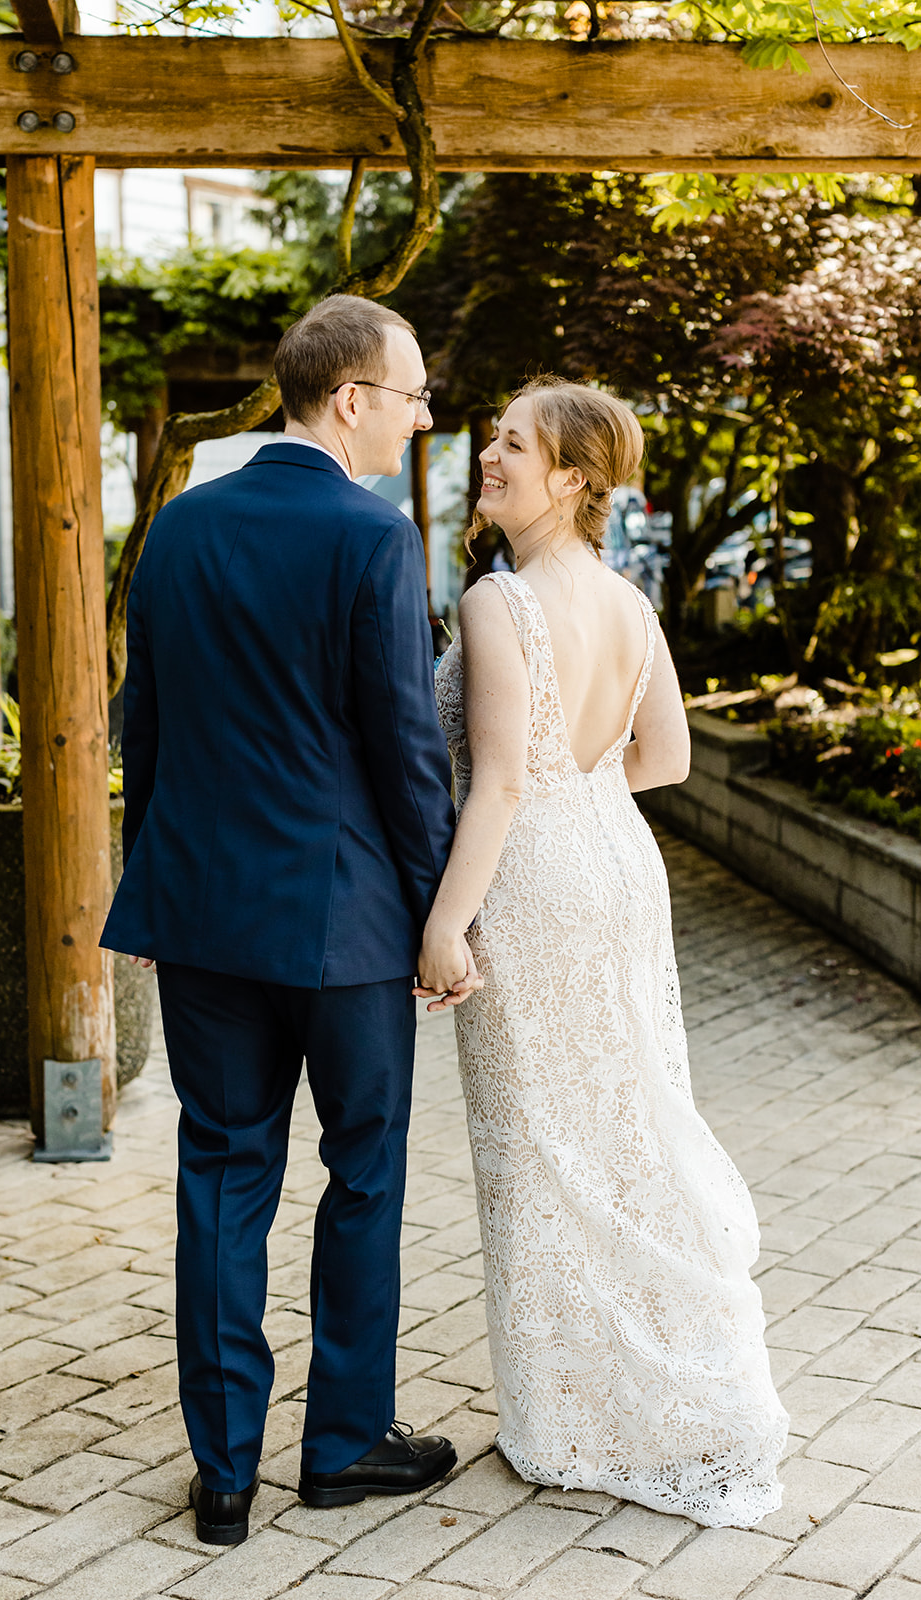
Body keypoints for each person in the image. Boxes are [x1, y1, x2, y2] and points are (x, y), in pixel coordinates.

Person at [102, 295, 479, 1546]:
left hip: (203, 916)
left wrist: (157, 881)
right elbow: (404, 747)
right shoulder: (371, 537)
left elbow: (139, 728)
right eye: (415, 393)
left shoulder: (177, 530)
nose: (425, 415)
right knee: (360, 1173)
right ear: (351, 396)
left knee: (220, 1177)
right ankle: (340, 1445)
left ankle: (222, 1473)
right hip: (348, 929)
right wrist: (438, 913)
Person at [421, 377, 788, 1528]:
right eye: (492, 436)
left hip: (529, 883)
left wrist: (441, 922)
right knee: (620, 1123)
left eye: (512, 444)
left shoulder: (497, 602)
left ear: (570, 477)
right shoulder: (630, 603)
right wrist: (578, 808)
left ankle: (563, 1415)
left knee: (537, 1144)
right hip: (619, 866)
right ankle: (643, 1383)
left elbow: (500, 782)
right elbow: (664, 757)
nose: (489, 454)